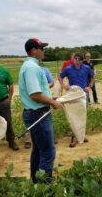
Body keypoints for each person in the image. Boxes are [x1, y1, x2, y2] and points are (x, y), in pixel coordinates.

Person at [19, 38, 61, 183]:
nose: (43, 51)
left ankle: (35, 183)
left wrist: (50, 97)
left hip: (36, 113)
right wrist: (52, 102)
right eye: (41, 48)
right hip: (39, 114)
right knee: (48, 152)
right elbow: (35, 94)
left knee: (38, 150)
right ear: (34, 50)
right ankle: (45, 187)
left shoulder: (31, 66)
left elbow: (39, 91)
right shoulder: (32, 67)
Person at [59, 52, 94, 147]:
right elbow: (60, 76)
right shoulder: (68, 68)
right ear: (73, 59)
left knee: (83, 115)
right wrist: (63, 85)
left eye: (79, 60)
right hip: (73, 95)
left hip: (83, 95)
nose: (77, 62)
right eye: (75, 60)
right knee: (74, 116)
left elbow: (92, 77)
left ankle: (81, 136)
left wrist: (90, 86)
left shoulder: (87, 68)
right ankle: (74, 138)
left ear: (82, 60)